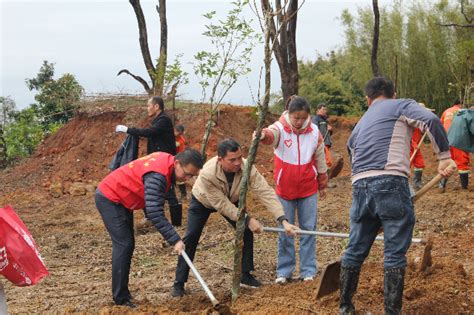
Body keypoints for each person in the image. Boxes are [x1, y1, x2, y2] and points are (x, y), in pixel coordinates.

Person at [339, 77, 455, 315]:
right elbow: (431, 119)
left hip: (360, 186)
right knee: (394, 252)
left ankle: (345, 308)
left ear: (367, 100)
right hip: (390, 181)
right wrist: (443, 156)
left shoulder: (360, 123)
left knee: (354, 249)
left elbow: (351, 149)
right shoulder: (400, 105)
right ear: (393, 94)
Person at [171, 139, 298, 297]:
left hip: (232, 198)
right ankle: (179, 283)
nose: (238, 163)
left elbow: (264, 191)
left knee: (245, 230)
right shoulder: (207, 174)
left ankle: (245, 274)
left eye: (239, 157)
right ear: (220, 159)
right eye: (232, 160)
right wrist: (248, 219)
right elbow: (222, 204)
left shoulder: (246, 166)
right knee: (191, 238)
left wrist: (282, 219)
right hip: (204, 200)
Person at [95, 149, 203, 307]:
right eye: (187, 174)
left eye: (192, 176)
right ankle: (120, 299)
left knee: (127, 244)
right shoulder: (157, 175)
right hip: (110, 197)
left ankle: (123, 295)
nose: (187, 179)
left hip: (123, 198)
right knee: (124, 245)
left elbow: (160, 196)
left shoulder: (167, 163)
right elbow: (154, 212)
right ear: (177, 163)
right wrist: (175, 240)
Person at [259, 95, 328, 283]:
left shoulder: (314, 132)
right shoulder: (280, 128)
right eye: (295, 117)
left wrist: (322, 181)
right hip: (284, 190)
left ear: (308, 116)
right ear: (289, 114)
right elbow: (270, 136)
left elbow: (320, 158)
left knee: (308, 230)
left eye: (303, 118)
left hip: (308, 189)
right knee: (285, 231)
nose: (299, 121)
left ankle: (308, 271)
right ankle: (284, 271)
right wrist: (263, 135)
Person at [115, 96, 182, 225]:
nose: (147, 108)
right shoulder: (159, 120)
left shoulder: (163, 120)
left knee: (167, 190)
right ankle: (156, 218)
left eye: (148, 105)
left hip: (164, 162)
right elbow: (151, 134)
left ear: (156, 106)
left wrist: (128, 130)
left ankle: (174, 222)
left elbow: (150, 132)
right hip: (157, 161)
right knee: (159, 189)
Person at [439, 100, 471, 191]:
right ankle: (464, 188)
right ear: (460, 105)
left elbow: (440, 125)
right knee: (462, 162)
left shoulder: (446, 111)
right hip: (458, 140)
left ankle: (442, 185)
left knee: (447, 162)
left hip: (446, 140)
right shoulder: (462, 111)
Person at [410, 103, 435, 190]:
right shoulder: (411, 119)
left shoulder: (420, 120)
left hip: (416, 145)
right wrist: (412, 143)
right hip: (409, 145)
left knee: (419, 164)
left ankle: (417, 183)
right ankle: (402, 182)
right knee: (406, 164)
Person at [312, 103, 333, 169]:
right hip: (321, 143)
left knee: (328, 162)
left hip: (326, 143)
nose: (325, 111)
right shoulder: (315, 119)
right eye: (323, 109)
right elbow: (315, 131)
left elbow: (329, 133)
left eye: (325, 109)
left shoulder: (325, 120)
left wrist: (330, 130)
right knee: (327, 162)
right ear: (318, 110)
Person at [174, 125, 188, 199]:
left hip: (179, 159)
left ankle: (183, 194)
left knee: (179, 178)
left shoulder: (180, 141)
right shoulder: (173, 137)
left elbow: (180, 151)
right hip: (174, 158)